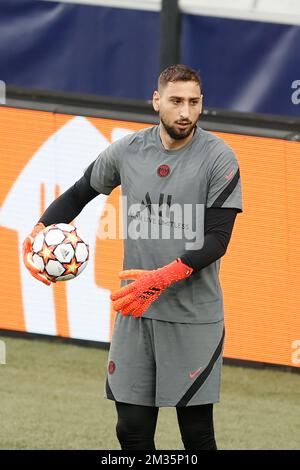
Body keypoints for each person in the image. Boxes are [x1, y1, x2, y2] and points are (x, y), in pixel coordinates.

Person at [23, 64, 243, 450]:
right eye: (176, 101)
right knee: (131, 430)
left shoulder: (219, 158)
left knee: (196, 433)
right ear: (157, 101)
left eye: (193, 102)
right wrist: (37, 233)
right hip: (135, 309)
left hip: (192, 315)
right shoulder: (128, 150)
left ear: (202, 104)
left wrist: (162, 277)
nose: (185, 112)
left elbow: (218, 239)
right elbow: (77, 195)